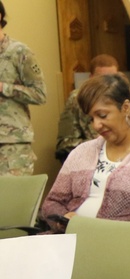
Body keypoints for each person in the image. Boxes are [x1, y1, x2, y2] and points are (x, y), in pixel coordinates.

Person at [40, 73, 130, 226]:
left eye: (102, 115)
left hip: (128, 243)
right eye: (91, 119)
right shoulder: (82, 152)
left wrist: (109, 228)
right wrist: (64, 218)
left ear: (125, 108)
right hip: (74, 239)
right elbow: (52, 202)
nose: (96, 125)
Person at [56, 54, 130, 161]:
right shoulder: (77, 99)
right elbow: (64, 145)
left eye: (113, 78)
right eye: (91, 118)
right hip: (91, 161)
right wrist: (99, 144)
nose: (107, 85)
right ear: (91, 78)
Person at [0, 1, 46, 176]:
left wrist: (4, 87)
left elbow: (40, 94)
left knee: (13, 200)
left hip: (12, 144)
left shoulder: (19, 52)